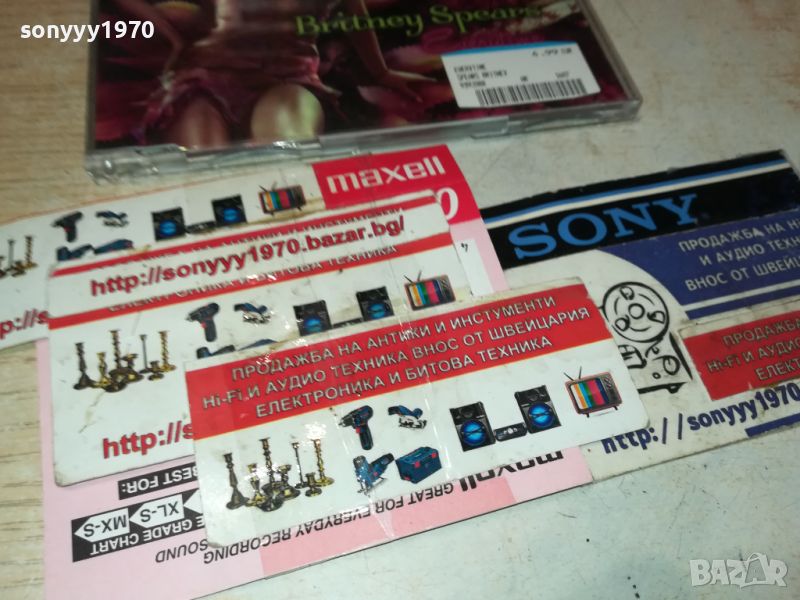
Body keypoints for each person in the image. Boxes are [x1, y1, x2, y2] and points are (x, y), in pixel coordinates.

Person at [111, 0, 430, 148]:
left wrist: (381, 72)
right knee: (203, 165)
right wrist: (172, 38)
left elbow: (354, 13)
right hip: (207, 79)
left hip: (289, 80)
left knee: (285, 147)